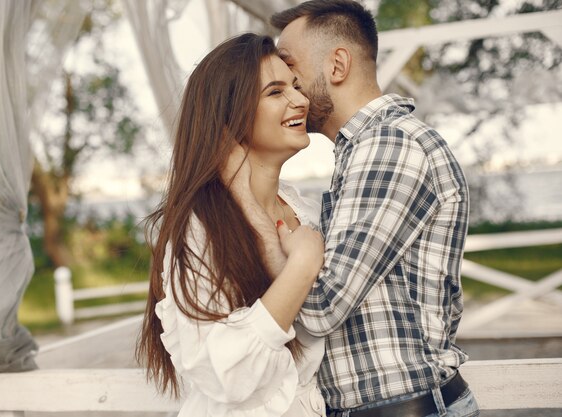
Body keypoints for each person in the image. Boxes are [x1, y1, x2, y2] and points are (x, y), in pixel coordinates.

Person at [239, 1, 478, 416]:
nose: (289, 84)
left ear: (337, 65)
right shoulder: (362, 152)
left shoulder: (389, 145)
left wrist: (285, 239)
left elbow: (322, 306)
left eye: (291, 67)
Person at [137, 33, 327, 417]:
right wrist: (302, 266)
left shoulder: (303, 211)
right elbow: (228, 376)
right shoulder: (199, 228)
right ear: (230, 114)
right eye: (275, 93)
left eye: (294, 86)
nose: (300, 100)